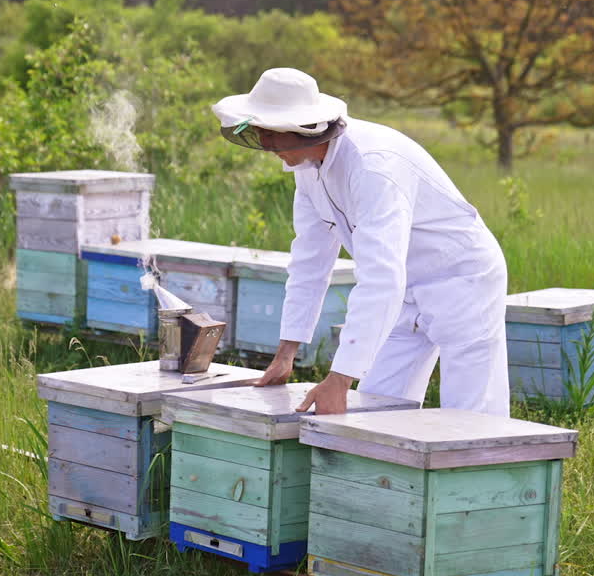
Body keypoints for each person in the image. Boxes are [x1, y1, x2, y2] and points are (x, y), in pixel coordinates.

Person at [211, 67, 510, 417]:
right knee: (377, 406)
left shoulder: (372, 167)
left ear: (302, 129)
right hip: (402, 293)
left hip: (461, 280)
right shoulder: (308, 170)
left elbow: (381, 277)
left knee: (473, 415)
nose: (268, 146)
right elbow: (309, 261)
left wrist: (339, 379)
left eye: (272, 136)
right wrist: (286, 351)